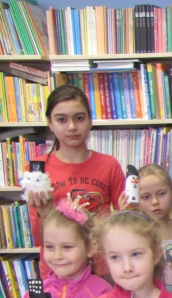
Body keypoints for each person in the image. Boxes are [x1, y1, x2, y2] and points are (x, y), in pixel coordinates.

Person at [27, 84, 125, 276]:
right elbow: (39, 238)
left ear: (90, 120)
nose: (72, 127)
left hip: (101, 271)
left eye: (79, 118)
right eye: (61, 119)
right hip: (57, 272)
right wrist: (43, 212)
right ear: (50, 123)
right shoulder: (39, 170)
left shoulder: (109, 164)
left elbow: (126, 224)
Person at [132, 164, 172, 293]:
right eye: (146, 197)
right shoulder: (136, 238)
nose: (155, 201)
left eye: (161, 194)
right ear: (136, 201)